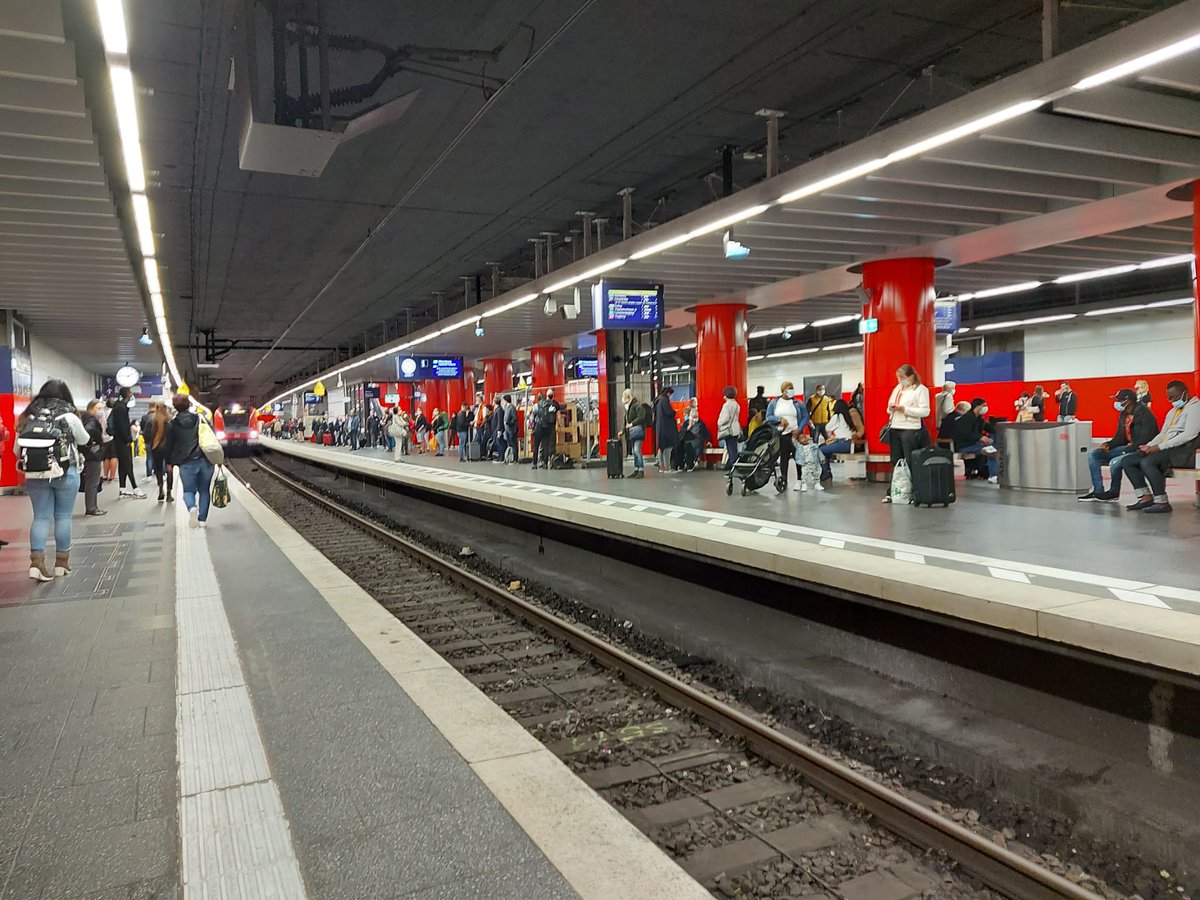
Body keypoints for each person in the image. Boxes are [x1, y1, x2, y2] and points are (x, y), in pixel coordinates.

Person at [15, 380, 90, 580]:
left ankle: (36, 563)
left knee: (40, 517)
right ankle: (61, 564)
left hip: (36, 474)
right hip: (66, 471)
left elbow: (17, 450)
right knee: (63, 516)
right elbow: (84, 440)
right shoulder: (68, 416)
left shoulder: (28, 416)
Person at [1124, 380, 1200, 514]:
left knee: (1148, 462)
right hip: (1167, 449)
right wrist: (1148, 446)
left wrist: (1159, 448)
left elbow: (1189, 434)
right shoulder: (1173, 412)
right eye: (1169, 397)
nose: (1171, 400)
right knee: (1128, 461)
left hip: (1185, 451)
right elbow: (1163, 434)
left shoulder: (1196, 408)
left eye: (1174, 397)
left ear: (1185, 392)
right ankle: (1145, 497)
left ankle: (1162, 502)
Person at [1079, 389, 1159, 502]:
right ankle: (1098, 491)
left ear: (1128, 400)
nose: (1117, 403)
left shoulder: (1144, 413)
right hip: (1128, 447)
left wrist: (1127, 450)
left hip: (1141, 448)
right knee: (1094, 454)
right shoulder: (1124, 414)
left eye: (1119, 400)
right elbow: (1120, 437)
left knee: (1115, 461)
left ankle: (1114, 492)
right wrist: (1108, 444)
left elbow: (1146, 438)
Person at [164, 393, 214, 529]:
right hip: (205, 461)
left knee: (188, 491)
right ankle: (202, 520)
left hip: (186, 463)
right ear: (190, 404)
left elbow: (169, 445)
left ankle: (192, 507)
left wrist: (168, 462)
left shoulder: (172, 424)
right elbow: (211, 436)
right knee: (204, 490)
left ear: (174, 407)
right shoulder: (200, 419)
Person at [882, 365, 931, 501]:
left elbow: (925, 411)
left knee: (910, 461)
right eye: (898, 378)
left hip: (911, 429)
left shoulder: (921, 390)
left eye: (902, 377)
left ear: (911, 376)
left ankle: (914, 492)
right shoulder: (898, 389)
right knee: (895, 461)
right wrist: (892, 409)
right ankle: (893, 492)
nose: (900, 380)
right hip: (895, 427)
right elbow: (889, 407)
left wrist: (905, 409)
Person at [765, 380, 809, 491]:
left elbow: (805, 416)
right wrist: (779, 419)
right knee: (784, 458)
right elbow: (768, 417)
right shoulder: (774, 402)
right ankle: (784, 480)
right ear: (783, 390)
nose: (791, 391)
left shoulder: (798, 403)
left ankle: (800, 480)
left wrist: (799, 429)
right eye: (789, 388)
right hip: (782, 434)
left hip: (795, 435)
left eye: (792, 388)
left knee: (798, 457)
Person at [950, 397, 1000, 483]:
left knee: (992, 445)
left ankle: (990, 473)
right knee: (990, 451)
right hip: (965, 445)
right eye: (983, 405)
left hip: (975, 443)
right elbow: (966, 434)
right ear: (977, 406)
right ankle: (993, 475)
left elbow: (989, 428)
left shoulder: (980, 419)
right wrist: (980, 438)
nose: (985, 408)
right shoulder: (967, 418)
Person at [109, 387, 145, 498]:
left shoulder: (118, 406)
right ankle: (135, 488)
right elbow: (123, 426)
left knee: (123, 465)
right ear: (127, 394)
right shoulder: (121, 408)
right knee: (128, 464)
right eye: (130, 393)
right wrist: (128, 439)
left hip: (118, 439)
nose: (131, 395)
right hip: (122, 441)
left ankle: (122, 488)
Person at [819, 399, 864, 482]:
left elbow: (827, 428)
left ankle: (826, 472)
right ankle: (826, 472)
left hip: (842, 443)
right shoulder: (849, 416)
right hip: (849, 443)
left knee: (820, 450)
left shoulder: (837, 416)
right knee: (822, 447)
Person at [144, 400, 176, 502]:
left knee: (158, 469)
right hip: (169, 449)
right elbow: (175, 436)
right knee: (169, 469)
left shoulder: (151, 421)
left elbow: (145, 435)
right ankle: (169, 493)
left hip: (156, 448)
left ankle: (161, 489)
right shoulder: (170, 421)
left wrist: (151, 443)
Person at [80, 400, 107, 517]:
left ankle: (92, 507)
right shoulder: (91, 420)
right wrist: (92, 443)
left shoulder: (86, 418)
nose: (101, 411)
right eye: (98, 408)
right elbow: (88, 431)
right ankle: (91, 508)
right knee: (93, 482)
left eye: (102, 408)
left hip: (90, 454)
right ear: (91, 408)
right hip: (93, 455)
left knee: (92, 481)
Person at [618, 389, 650, 478]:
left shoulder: (636, 406)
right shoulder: (629, 408)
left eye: (624, 397)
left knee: (636, 450)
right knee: (634, 451)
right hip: (633, 433)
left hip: (637, 431)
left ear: (628, 397)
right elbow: (626, 422)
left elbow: (642, 417)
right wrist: (622, 431)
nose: (623, 399)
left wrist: (632, 424)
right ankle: (636, 469)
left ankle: (640, 470)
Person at [530, 389, 561, 469]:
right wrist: (558, 425)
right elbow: (558, 416)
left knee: (536, 446)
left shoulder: (537, 405)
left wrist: (532, 426)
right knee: (546, 445)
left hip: (538, 428)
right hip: (548, 428)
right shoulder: (553, 405)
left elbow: (532, 417)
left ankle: (534, 463)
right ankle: (545, 463)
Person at [715, 386, 742, 472]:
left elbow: (725, 418)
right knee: (734, 447)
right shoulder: (737, 404)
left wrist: (719, 422)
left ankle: (733, 466)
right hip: (735, 429)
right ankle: (731, 465)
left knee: (730, 449)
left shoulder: (726, 405)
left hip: (728, 430)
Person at [652, 387, 677, 473]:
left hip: (659, 428)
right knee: (668, 447)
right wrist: (674, 412)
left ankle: (661, 467)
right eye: (670, 394)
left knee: (661, 448)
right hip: (666, 428)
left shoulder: (658, 401)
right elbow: (669, 412)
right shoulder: (665, 400)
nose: (670, 396)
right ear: (668, 393)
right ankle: (667, 467)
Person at [503, 395, 518, 463]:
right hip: (507, 429)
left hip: (512, 429)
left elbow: (515, 418)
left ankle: (515, 458)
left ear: (506, 400)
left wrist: (509, 422)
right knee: (509, 443)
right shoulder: (506, 408)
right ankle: (510, 457)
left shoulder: (512, 408)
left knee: (513, 443)